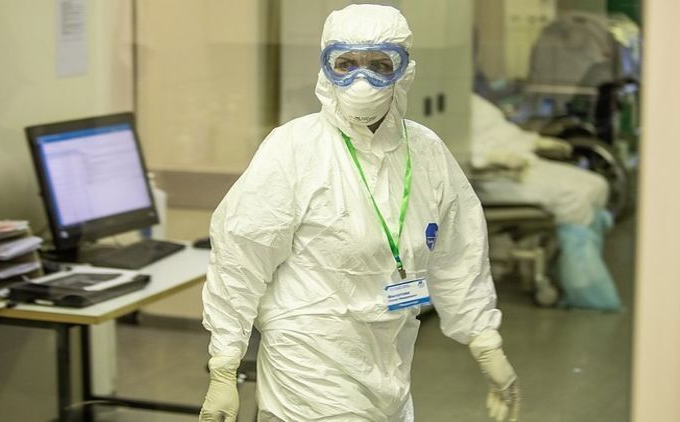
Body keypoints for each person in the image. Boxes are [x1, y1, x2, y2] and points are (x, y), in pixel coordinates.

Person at [199, 5, 520, 421]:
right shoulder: (294, 148)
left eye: (380, 64)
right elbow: (241, 257)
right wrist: (224, 365)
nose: (361, 80)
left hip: (389, 359)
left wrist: (486, 342)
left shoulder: (426, 152)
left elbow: (459, 253)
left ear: (404, 70)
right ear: (326, 69)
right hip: (307, 362)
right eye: (346, 64)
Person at [470, 93, 621, 310]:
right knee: (575, 197)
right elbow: (457, 149)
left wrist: (535, 142)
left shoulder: (472, 101)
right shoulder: (449, 105)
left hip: (520, 166)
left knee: (597, 185)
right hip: (492, 177)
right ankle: (580, 283)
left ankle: (567, 261)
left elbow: (502, 133)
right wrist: (491, 159)